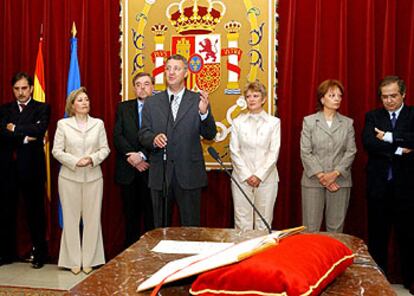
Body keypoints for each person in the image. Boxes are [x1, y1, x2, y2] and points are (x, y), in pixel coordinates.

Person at [138, 54, 217, 227]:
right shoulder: (152, 102)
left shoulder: (197, 100)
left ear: (186, 73)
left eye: (176, 68)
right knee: (160, 229)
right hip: (161, 174)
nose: (171, 72)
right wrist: (153, 138)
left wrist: (204, 114)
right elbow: (143, 134)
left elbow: (210, 134)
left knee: (191, 228)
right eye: (168, 68)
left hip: (189, 174)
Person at [362, 76, 414, 293]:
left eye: (393, 96)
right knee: (377, 238)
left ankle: (411, 281)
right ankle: (378, 283)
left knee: (409, 237)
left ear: (403, 94)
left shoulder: (412, 115)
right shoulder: (373, 116)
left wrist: (390, 137)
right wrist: (401, 149)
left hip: (407, 189)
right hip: (379, 188)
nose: (389, 101)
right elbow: (370, 144)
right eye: (385, 97)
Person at [52, 87, 110, 275]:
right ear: (72, 105)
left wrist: (91, 159)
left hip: (94, 177)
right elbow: (57, 151)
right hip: (69, 178)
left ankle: (90, 260)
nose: (85, 102)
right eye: (80, 100)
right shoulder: (63, 124)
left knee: (93, 220)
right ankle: (72, 261)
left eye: (86, 99)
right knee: (71, 220)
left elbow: (105, 149)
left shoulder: (98, 124)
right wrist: (76, 161)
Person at [0, 72, 50, 268]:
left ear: (31, 88)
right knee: (6, 212)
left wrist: (14, 129)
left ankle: (40, 254)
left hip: (32, 169)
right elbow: (1, 133)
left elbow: (40, 130)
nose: (20, 92)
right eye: (16, 89)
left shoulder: (42, 108)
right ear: (13, 90)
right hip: (7, 170)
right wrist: (25, 135)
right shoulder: (4, 109)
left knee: (35, 213)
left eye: (24, 88)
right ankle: (6, 253)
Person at [300, 79, 356, 233]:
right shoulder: (309, 121)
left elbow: (351, 151)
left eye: (339, 96)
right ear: (322, 99)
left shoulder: (347, 123)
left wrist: (334, 174)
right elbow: (305, 151)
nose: (337, 99)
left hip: (340, 181)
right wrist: (322, 176)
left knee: (335, 228)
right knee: (310, 228)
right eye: (332, 95)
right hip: (313, 180)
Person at [229, 80, 280, 231]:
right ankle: (242, 254)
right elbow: (234, 151)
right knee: (241, 222)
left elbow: (273, 152)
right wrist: (247, 175)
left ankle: (262, 255)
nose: (251, 99)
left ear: (263, 99)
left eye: (255, 96)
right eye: (248, 96)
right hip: (241, 178)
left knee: (263, 222)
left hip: (267, 179)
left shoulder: (274, 123)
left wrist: (258, 175)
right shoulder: (238, 122)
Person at [114, 72, 154, 248]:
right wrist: (133, 157)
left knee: (151, 217)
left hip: (151, 170)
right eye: (138, 84)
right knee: (130, 217)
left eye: (146, 84)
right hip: (128, 170)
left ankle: (150, 255)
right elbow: (118, 135)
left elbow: (162, 136)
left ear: (152, 87)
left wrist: (143, 156)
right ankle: (130, 256)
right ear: (134, 88)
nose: (142, 87)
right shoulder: (123, 107)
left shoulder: (160, 109)